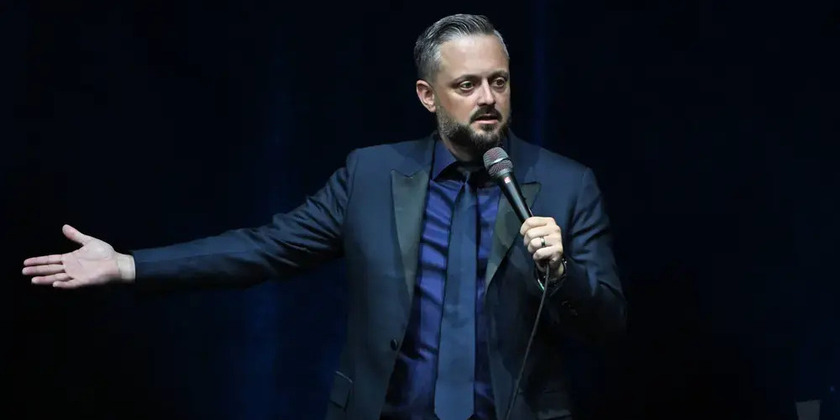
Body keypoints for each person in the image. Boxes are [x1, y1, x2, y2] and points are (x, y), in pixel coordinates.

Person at [22, 13, 626, 420]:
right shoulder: (369, 176)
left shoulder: (567, 185)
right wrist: (129, 265)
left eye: (499, 81)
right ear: (427, 95)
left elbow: (608, 326)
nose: (488, 98)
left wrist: (561, 272)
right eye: (467, 85)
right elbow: (267, 247)